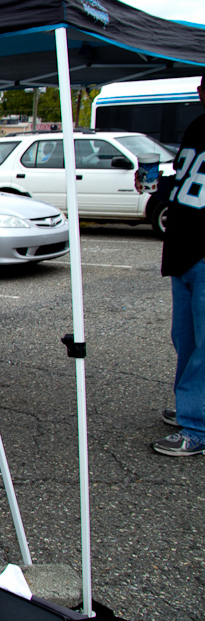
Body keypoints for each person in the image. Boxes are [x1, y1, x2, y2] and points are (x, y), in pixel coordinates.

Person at [143, 74, 205, 457]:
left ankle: (196, 425)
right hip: (182, 251)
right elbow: (183, 180)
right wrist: (155, 183)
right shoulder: (198, 125)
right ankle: (192, 408)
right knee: (186, 340)